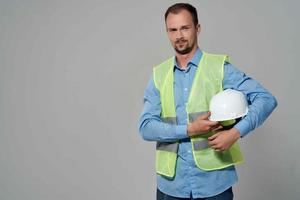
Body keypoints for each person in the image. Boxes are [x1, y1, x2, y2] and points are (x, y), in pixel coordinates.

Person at [138, 3, 277, 200]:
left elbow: (265, 99)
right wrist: (189, 130)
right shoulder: (159, 75)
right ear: (167, 32)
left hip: (214, 184)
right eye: (173, 30)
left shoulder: (219, 68)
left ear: (197, 28)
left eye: (185, 28)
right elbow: (146, 127)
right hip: (171, 186)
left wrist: (235, 133)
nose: (179, 36)